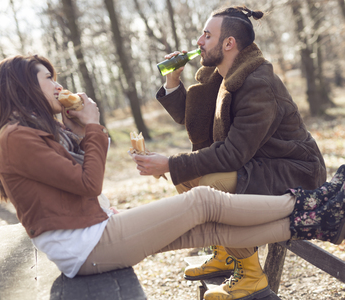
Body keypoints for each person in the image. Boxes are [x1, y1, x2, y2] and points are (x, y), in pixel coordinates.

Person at [0, 55, 345, 300]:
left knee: (214, 229)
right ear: (23, 88)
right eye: (47, 79)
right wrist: (93, 129)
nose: (57, 85)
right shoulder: (16, 137)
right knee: (202, 202)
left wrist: (81, 131)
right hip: (85, 247)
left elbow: (77, 180)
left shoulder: (33, 131)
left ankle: (315, 221)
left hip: (91, 236)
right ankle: (311, 202)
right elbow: (89, 183)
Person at [132, 5, 329, 298]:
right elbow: (196, 122)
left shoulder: (258, 84)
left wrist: (170, 164)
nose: (199, 41)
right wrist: (173, 81)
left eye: (207, 35)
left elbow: (231, 155)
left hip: (295, 171)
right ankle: (225, 253)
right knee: (188, 180)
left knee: (210, 189)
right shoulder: (223, 76)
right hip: (262, 165)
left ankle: (250, 275)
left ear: (229, 43)